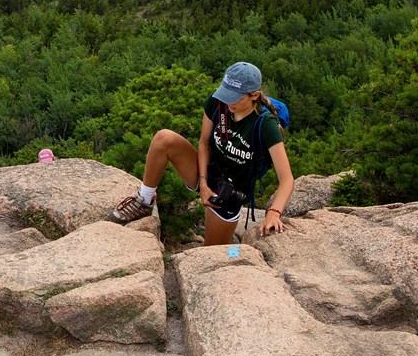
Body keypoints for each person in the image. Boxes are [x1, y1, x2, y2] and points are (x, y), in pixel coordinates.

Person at [107, 62, 294, 245]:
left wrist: (273, 212)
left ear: (254, 95)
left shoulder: (266, 125)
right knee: (164, 138)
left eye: (234, 97)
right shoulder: (217, 103)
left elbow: (286, 180)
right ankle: (144, 200)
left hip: (228, 194)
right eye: (226, 94)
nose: (228, 101)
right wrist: (203, 183)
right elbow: (204, 143)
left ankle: (238, 251)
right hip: (206, 170)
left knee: (214, 254)